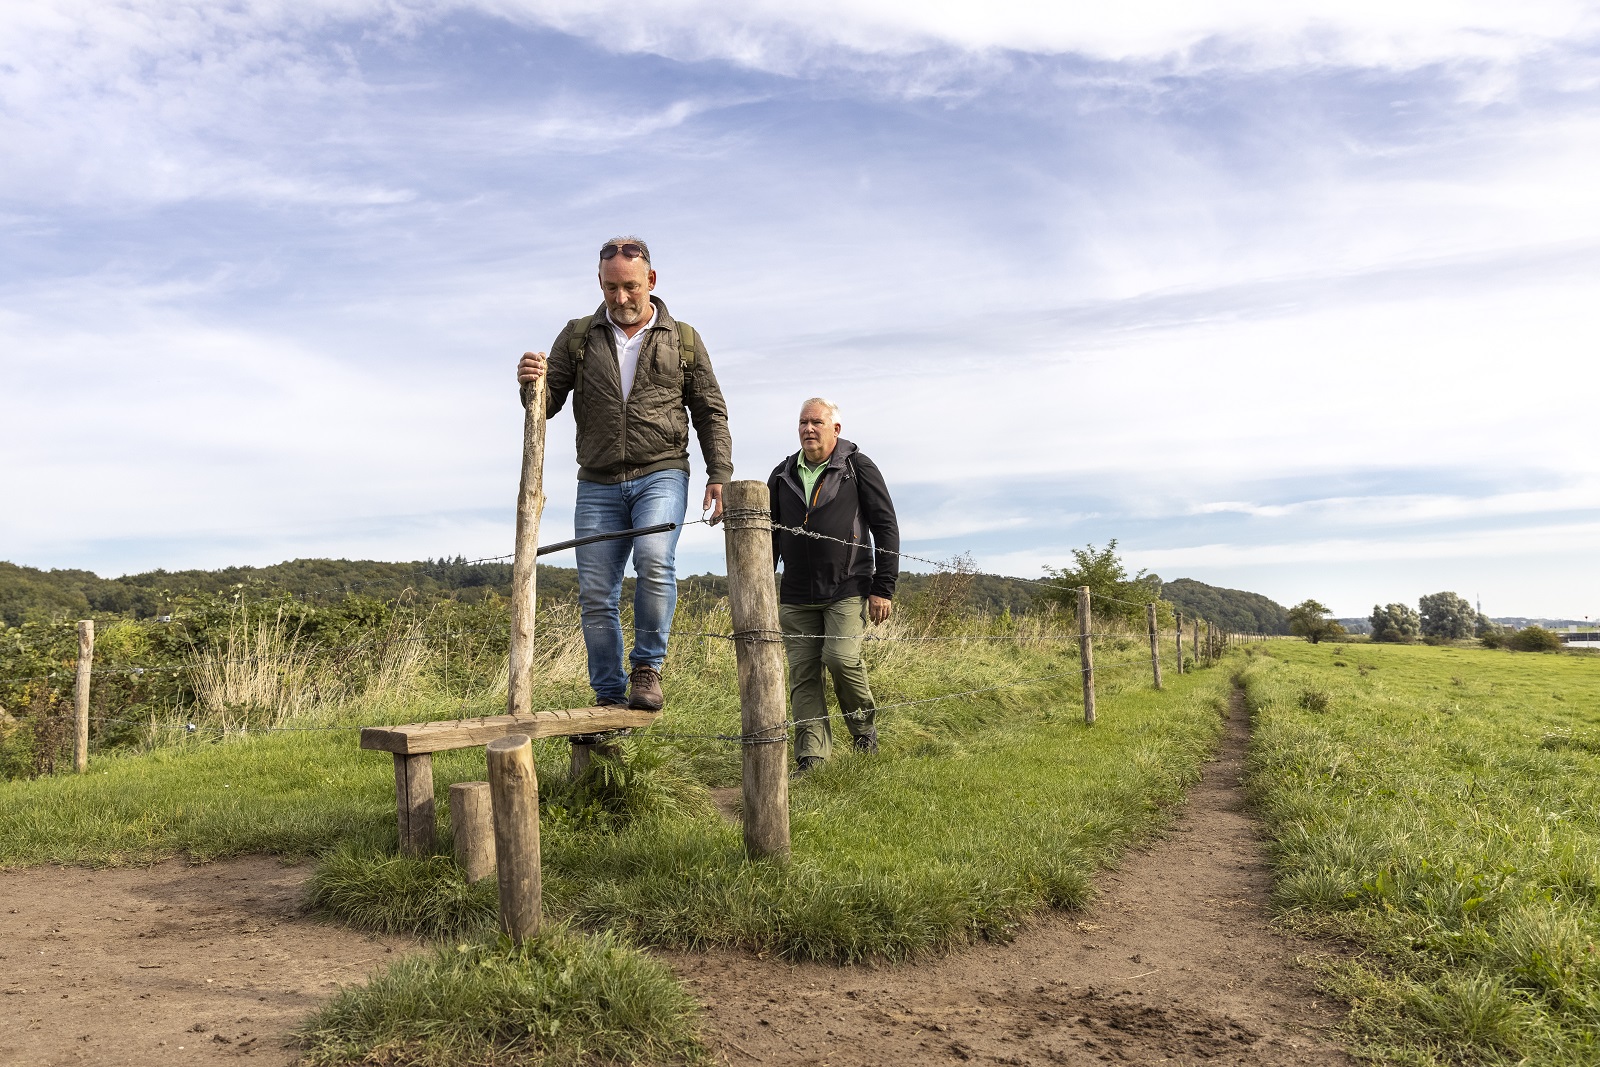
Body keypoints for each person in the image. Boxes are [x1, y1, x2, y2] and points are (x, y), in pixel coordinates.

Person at [516, 236, 733, 713]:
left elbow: (710, 411)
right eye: (611, 287)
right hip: (596, 482)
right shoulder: (577, 337)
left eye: (630, 287)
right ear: (599, 282)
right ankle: (609, 698)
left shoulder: (684, 339)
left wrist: (720, 471)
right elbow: (545, 407)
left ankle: (647, 669)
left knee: (655, 560)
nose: (620, 298)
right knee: (596, 592)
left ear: (650, 282)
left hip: (662, 472)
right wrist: (530, 381)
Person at [767, 398, 899, 773]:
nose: (808, 429)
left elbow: (885, 526)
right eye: (803, 422)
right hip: (795, 592)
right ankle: (812, 757)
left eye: (816, 422)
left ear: (835, 429)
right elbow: (769, 536)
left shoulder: (857, 466)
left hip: (848, 585)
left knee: (840, 659)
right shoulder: (781, 474)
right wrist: (763, 585)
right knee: (803, 674)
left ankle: (863, 730)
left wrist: (883, 586)